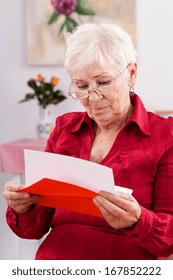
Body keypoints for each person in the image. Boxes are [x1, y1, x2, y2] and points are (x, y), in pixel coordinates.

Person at [3, 22, 173, 260]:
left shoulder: (165, 135)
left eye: (103, 82)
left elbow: (169, 239)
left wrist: (137, 220)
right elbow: (35, 228)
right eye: (82, 86)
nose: (92, 96)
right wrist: (25, 207)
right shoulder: (65, 129)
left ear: (131, 73)